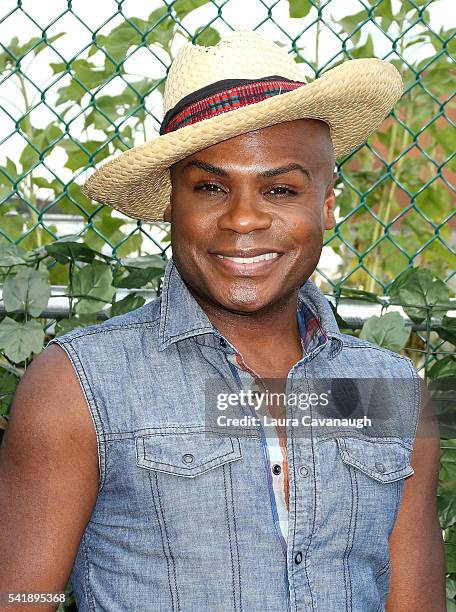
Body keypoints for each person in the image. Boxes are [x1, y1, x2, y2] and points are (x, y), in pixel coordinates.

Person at [0, 30, 445, 611]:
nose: (242, 219)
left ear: (329, 203)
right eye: (210, 187)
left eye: (280, 189)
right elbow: (19, 598)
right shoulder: (81, 386)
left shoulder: (388, 394)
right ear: (170, 204)